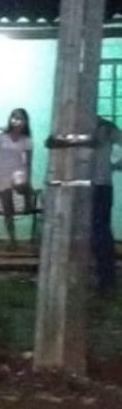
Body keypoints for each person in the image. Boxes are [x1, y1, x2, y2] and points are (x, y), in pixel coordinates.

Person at [0, 108, 34, 251]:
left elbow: (28, 162)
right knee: (8, 208)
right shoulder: (0, 137)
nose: (16, 121)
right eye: (14, 117)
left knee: (20, 184)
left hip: (17, 170)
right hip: (1, 172)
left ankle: (28, 199)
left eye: (20, 118)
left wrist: (29, 178)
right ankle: (12, 240)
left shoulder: (27, 140)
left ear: (25, 122)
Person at [92, 116, 122, 296]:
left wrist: (117, 165)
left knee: (100, 232)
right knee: (98, 232)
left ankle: (106, 279)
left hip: (99, 186)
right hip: (88, 186)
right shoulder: (103, 127)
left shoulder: (105, 127)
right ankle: (103, 278)